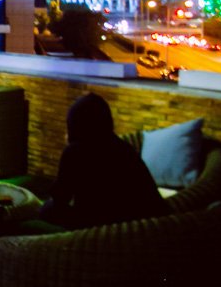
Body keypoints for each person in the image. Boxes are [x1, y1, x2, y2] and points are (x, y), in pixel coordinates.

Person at [39, 92, 168, 229]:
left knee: (46, 210)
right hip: (142, 223)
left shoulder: (75, 151)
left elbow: (60, 198)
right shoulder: (123, 148)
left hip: (99, 224)